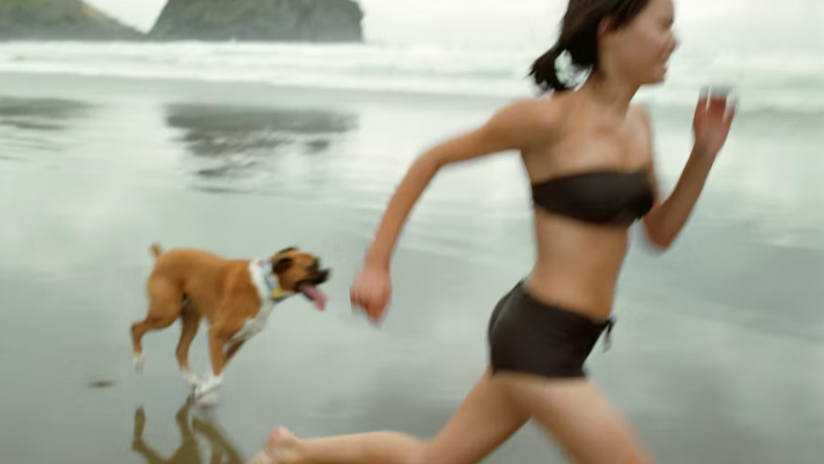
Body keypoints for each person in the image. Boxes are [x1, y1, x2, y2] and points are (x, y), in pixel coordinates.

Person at [257, 0, 736, 463]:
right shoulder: (546, 120)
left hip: (568, 336)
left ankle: (292, 452)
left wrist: (704, 154)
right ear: (610, 28)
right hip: (537, 341)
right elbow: (433, 159)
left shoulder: (639, 124)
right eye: (663, 25)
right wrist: (377, 264)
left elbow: (659, 233)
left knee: (433, 460)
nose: (673, 41)